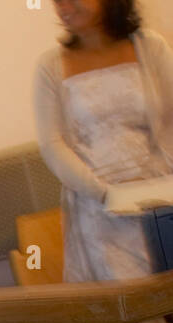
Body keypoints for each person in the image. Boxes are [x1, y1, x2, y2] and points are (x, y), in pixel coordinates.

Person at [35, 1, 173, 281]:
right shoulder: (50, 65)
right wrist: (105, 194)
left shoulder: (151, 47)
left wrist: (159, 183)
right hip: (99, 209)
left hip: (161, 198)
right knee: (135, 312)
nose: (64, 7)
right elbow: (52, 144)